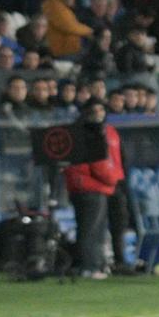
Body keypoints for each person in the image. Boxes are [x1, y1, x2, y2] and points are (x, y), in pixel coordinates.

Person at [64, 99, 122, 279]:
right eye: (95, 109)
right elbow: (99, 164)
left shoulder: (79, 131)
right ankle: (91, 266)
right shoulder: (91, 132)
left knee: (90, 228)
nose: (99, 113)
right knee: (92, 230)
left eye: (101, 109)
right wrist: (113, 179)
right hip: (92, 186)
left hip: (87, 187)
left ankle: (92, 265)